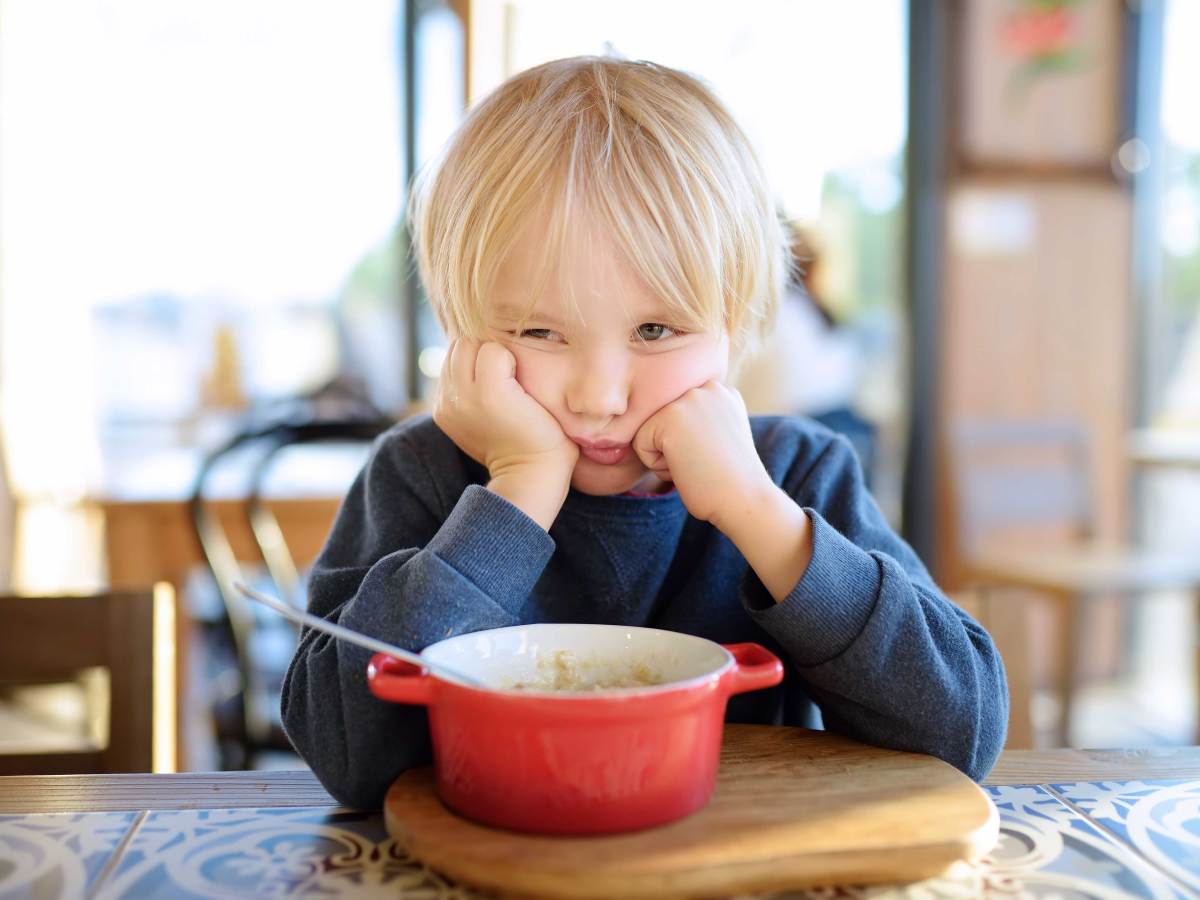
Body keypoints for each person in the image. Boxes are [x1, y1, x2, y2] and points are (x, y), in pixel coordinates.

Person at [282, 56, 1008, 809]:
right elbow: (344, 756)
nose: (599, 396)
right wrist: (519, 492)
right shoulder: (420, 474)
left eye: (655, 329)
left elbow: (962, 733)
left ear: (733, 323)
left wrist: (760, 516)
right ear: (466, 328)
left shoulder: (796, 475)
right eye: (539, 329)